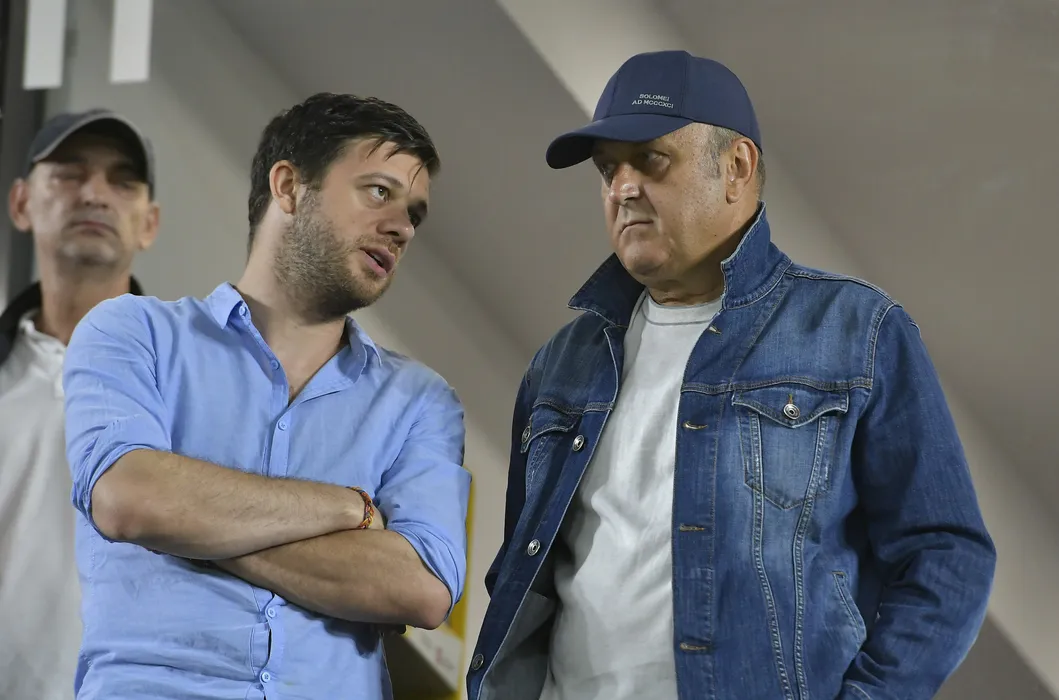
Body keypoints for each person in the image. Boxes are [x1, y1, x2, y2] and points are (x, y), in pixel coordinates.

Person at [467, 50, 996, 700]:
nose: (622, 188)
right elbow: (520, 576)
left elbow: (948, 556)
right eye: (607, 169)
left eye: (650, 160)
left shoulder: (855, 331)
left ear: (736, 168)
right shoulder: (560, 363)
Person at [62, 92, 470, 699]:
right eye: (378, 192)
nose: (402, 227)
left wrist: (190, 525)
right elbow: (129, 501)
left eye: (413, 213)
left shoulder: (422, 402)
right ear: (288, 187)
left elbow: (421, 589)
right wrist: (350, 509)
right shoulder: (130, 332)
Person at [0, 109, 159, 700]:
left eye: (123, 180)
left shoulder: (188, 386)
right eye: (69, 172)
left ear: (149, 223)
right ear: (21, 203)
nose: (94, 193)